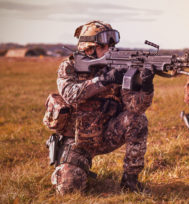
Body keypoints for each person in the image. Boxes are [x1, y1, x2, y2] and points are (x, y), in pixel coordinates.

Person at [45, 20, 154, 195]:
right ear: (88, 48)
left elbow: (135, 107)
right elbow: (71, 94)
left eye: (112, 45)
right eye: (104, 46)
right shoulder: (70, 66)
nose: (110, 50)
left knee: (137, 120)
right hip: (77, 141)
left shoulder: (117, 68)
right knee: (69, 189)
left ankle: (130, 181)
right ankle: (70, 166)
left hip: (106, 134)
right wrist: (103, 80)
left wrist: (146, 87)